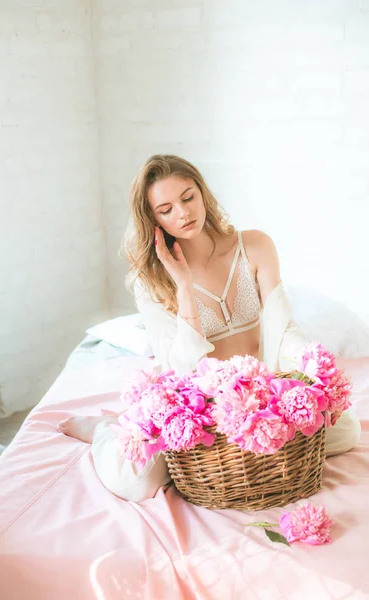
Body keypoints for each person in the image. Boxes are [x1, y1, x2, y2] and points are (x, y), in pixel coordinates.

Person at [57, 154, 361, 502]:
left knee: (345, 431)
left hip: (262, 396)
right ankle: (104, 429)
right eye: (166, 209)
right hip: (198, 407)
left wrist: (310, 367)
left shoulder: (255, 246)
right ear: (152, 218)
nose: (183, 213)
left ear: (202, 193)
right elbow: (182, 368)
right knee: (136, 481)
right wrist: (184, 287)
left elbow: (282, 329)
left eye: (188, 198)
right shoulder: (150, 280)